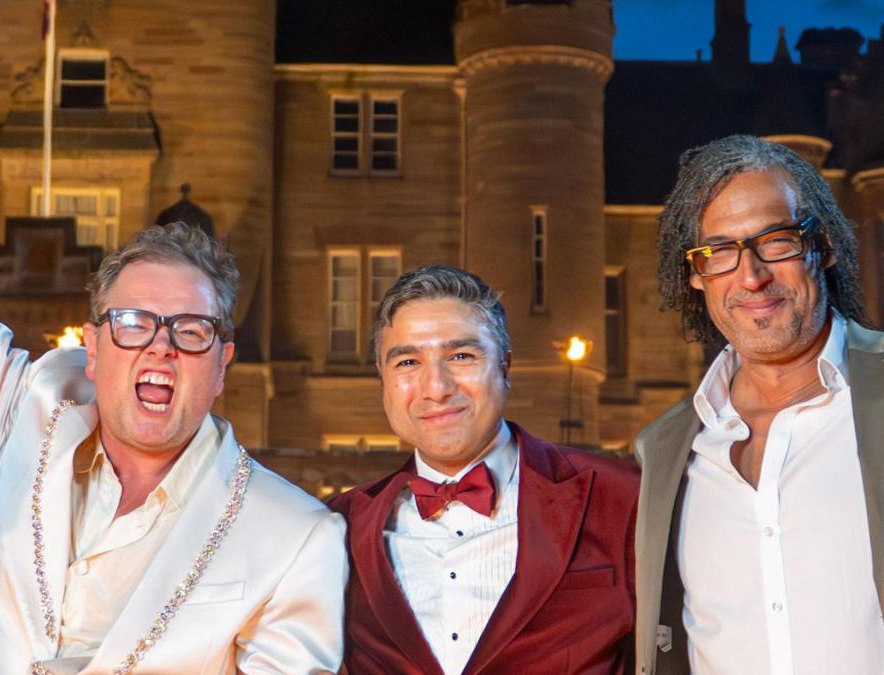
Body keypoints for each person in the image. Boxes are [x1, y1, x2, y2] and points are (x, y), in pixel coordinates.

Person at [0, 12, 347, 674]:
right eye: (134, 322)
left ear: (222, 363)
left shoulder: (295, 533)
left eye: (191, 330)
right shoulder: (36, 417)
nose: (159, 349)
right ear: (93, 346)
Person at [635, 134, 884, 674]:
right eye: (719, 251)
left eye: (777, 241)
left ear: (825, 245)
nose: (751, 276)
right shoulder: (665, 451)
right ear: (696, 276)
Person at [329, 264, 639, 675]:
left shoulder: (621, 497)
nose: (436, 387)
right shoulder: (339, 526)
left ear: (504, 368)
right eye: (407, 362)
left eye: (461, 356)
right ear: (383, 382)